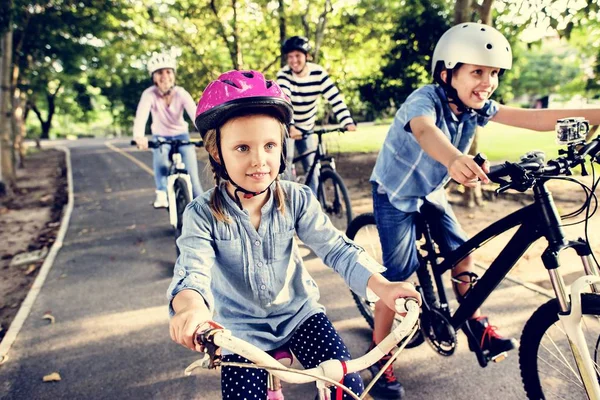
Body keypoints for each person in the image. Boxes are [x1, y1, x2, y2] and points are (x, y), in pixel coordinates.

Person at [368, 22, 600, 400]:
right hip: (395, 193)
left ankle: (473, 320)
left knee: (464, 254)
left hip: (430, 192)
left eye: (493, 73)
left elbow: (536, 118)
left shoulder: (478, 107)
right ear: (447, 73)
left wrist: (598, 113)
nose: (488, 81)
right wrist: (455, 158)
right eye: (477, 71)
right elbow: (426, 132)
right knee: (397, 278)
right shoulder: (424, 99)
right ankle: (380, 354)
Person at [166, 70, 421, 399]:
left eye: (270, 145)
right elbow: (192, 271)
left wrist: (383, 286)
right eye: (242, 148)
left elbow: (337, 249)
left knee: (346, 387)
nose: (260, 160)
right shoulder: (202, 214)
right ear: (217, 152)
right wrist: (190, 309)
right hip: (239, 330)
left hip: (300, 315)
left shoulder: (297, 199)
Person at [276, 36, 357, 194]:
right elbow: (285, 100)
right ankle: (284, 204)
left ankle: (311, 207)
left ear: (307, 56)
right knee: (284, 167)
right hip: (287, 127)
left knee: (313, 168)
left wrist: (347, 121)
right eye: (290, 57)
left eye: (298, 56)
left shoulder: (318, 73)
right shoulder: (284, 75)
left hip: (307, 127)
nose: (294, 61)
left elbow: (334, 97)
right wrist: (291, 126)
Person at [132, 51, 203, 207]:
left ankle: (205, 214)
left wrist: (207, 133)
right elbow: (141, 117)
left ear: (173, 75)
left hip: (182, 136)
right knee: (161, 161)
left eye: (168, 71)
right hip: (161, 137)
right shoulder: (149, 94)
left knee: (193, 178)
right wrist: (139, 136)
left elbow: (196, 116)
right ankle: (162, 193)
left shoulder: (181, 93)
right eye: (159, 72)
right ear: (153, 77)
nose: (164, 76)